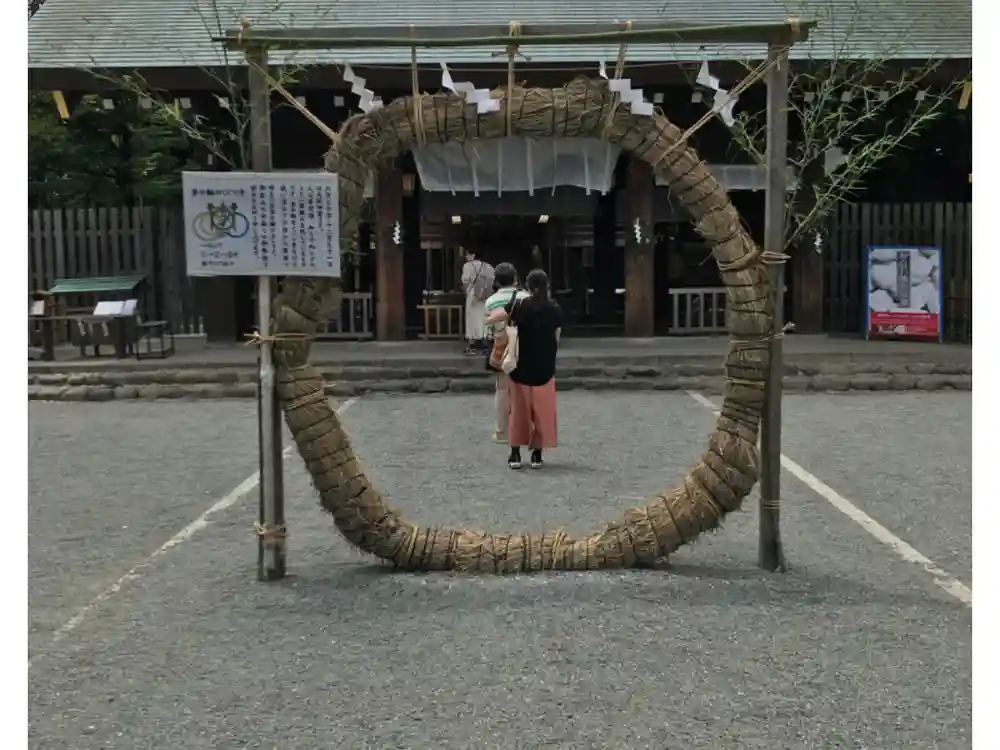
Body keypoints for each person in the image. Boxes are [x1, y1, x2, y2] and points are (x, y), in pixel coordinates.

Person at [488, 268, 562, 470]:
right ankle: (537, 455)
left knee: (518, 412)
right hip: (545, 366)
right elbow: (557, 336)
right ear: (547, 285)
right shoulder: (554, 308)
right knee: (542, 411)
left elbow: (495, 317)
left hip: (521, 365)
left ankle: (515, 454)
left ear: (527, 286)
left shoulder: (520, 306)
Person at [483, 263, 529, 443]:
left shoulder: (491, 301)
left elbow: (489, 327)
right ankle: (524, 429)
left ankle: (502, 431)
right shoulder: (526, 297)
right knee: (525, 388)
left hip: (502, 346)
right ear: (516, 279)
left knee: (502, 389)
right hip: (524, 346)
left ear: (496, 282)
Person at [460, 248, 494, 355]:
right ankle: (485, 341)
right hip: (485, 295)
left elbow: (465, 280)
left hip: (472, 294)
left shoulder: (467, 266)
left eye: (467, 254)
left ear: (473, 255)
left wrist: (466, 290)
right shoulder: (488, 266)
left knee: (471, 318)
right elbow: (492, 280)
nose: (466, 257)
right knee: (484, 316)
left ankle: (473, 342)